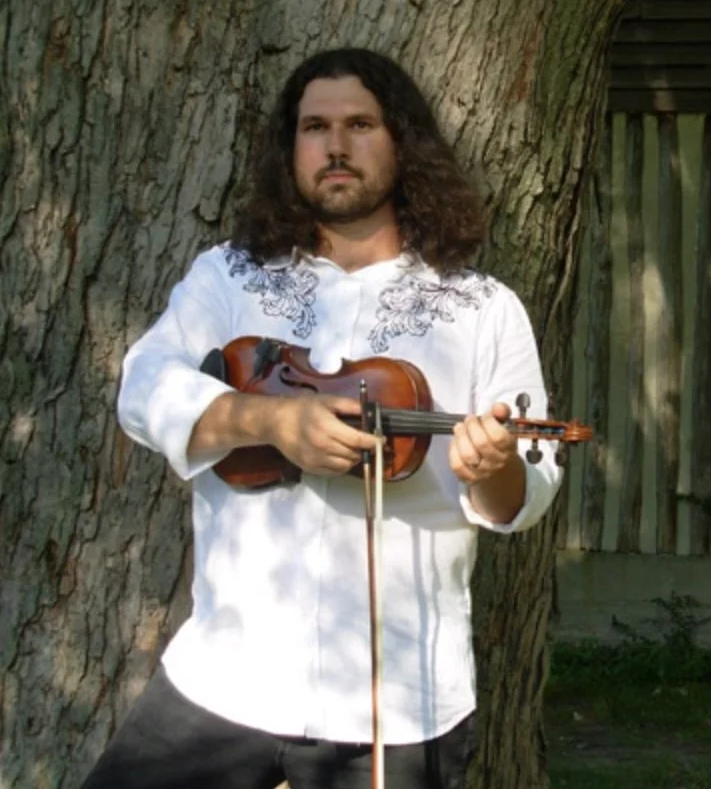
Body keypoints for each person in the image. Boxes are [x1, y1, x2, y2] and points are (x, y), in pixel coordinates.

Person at [80, 48, 562, 789]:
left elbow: (523, 494)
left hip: (397, 701)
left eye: (360, 125)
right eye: (315, 127)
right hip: (226, 677)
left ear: (402, 142)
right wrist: (269, 422)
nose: (336, 146)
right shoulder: (229, 277)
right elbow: (144, 388)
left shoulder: (481, 308)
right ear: (292, 147)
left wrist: (491, 470)